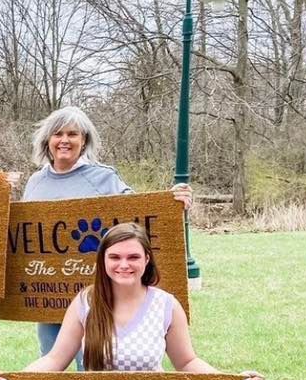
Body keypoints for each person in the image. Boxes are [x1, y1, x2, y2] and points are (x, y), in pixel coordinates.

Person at [0, 223, 265, 380]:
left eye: (133, 257)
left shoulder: (166, 305)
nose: (124, 265)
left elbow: (187, 362)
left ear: (147, 259)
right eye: (115, 257)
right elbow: (54, 360)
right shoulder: (85, 302)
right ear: (103, 261)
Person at [21, 106, 194, 365]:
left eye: (72, 134)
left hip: (94, 295)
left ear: (84, 141)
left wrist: (172, 200)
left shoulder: (103, 177)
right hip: (48, 291)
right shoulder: (35, 182)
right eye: (58, 134)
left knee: (91, 365)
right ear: (47, 140)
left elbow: (141, 215)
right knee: (50, 361)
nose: (65, 140)